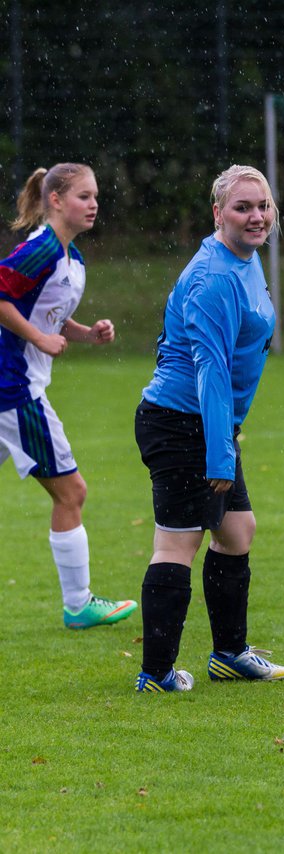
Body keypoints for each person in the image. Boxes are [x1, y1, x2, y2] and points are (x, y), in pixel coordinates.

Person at [132, 165, 284, 693]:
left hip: (210, 423)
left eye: (263, 206)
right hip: (184, 423)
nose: (256, 216)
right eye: (243, 207)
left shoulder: (244, 261)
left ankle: (228, 654)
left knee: (237, 531)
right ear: (217, 213)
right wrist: (220, 454)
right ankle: (155, 673)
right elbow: (210, 368)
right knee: (177, 543)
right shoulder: (214, 277)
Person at [0, 163, 138, 630]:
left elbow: (49, 316)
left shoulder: (71, 258)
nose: (94, 203)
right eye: (83, 195)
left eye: (96, 195)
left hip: (14, 386)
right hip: (15, 389)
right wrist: (38, 340)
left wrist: (87, 333)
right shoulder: (39, 250)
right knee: (72, 491)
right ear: (55, 200)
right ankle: (78, 603)